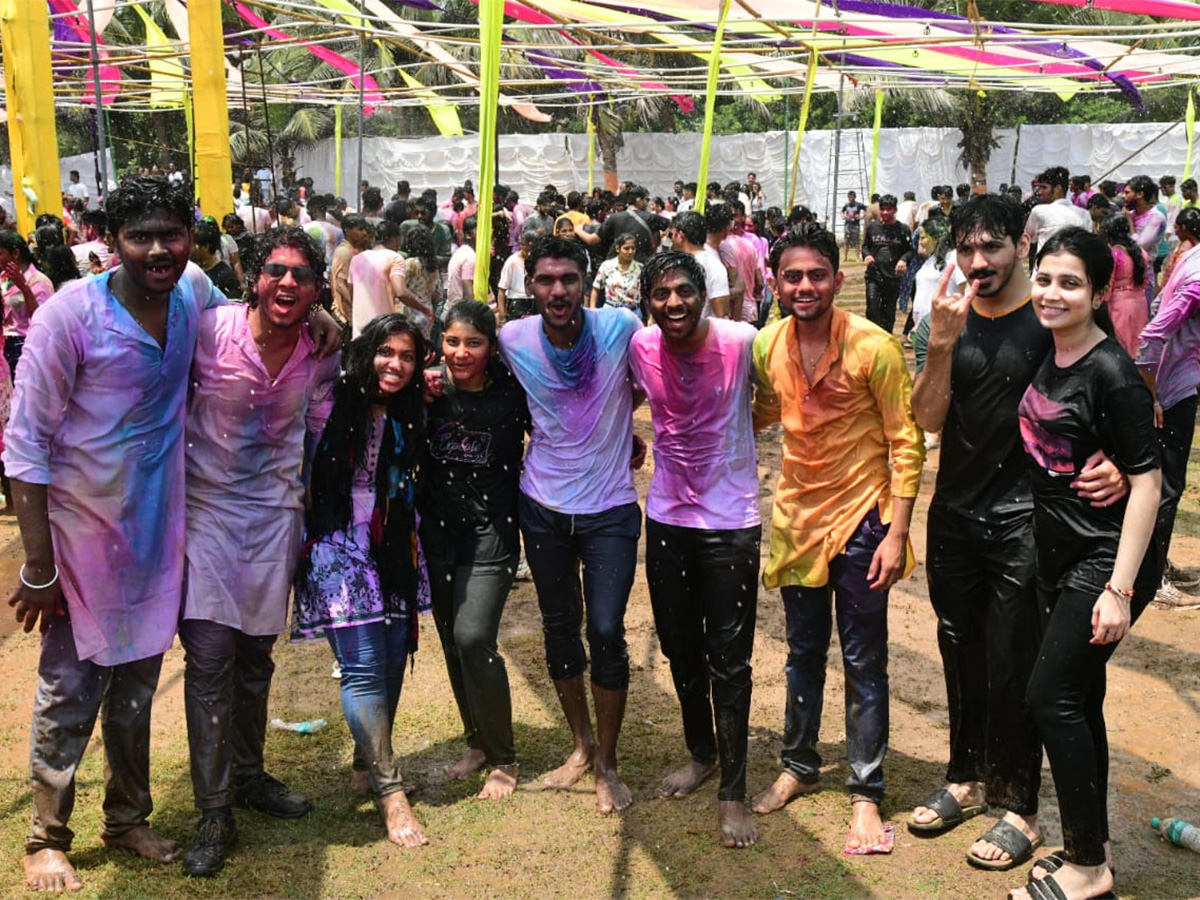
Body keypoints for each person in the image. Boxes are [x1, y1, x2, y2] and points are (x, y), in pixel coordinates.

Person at [3, 177, 225, 893]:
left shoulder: (192, 291)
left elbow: (240, 327)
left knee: (135, 690)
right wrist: (39, 563)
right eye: (142, 237)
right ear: (112, 242)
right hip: (80, 543)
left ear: (190, 235)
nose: (159, 249)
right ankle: (46, 837)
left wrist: (310, 321)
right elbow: (26, 446)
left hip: (159, 537)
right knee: (70, 691)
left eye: (172, 233)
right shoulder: (69, 317)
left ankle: (127, 817)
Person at [910, 195, 1125, 873]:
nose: (978, 262)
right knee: (957, 649)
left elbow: (1112, 393)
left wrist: (1118, 461)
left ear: (1021, 247)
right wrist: (941, 346)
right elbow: (928, 418)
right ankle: (964, 775)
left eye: (992, 247)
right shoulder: (944, 320)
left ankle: (1020, 806)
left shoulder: (1052, 318)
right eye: (966, 249)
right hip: (953, 514)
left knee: (1013, 662)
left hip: (1027, 521)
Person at [750, 223, 924, 855]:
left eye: (816, 275)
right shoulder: (767, 345)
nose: (804, 286)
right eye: (792, 276)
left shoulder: (875, 347)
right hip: (797, 518)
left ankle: (866, 792)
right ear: (775, 283)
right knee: (801, 653)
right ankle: (797, 765)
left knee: (863, 657)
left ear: (838, 280)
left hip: (864, 522)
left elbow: (906, 440)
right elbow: (764, 412)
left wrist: (897, 530)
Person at [1007, 227, 1161, 900]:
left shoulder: (1111, 371)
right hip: (1058, 552)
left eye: (1071, 283)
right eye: (1045, 278)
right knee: (1079, 699)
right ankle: (1088, 850)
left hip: (1103, 562)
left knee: (1049, 697)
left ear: (1100, 293)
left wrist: (1119, 591)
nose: (1052, 293)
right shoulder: (1051, 347)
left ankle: (1089, 869)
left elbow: (1150, 481)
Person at [179, 227, 339, 876]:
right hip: (204, 518)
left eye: (302, 276)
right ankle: (213, 812)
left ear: (318, 289)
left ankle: (249, 776)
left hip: (274, 523)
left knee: (254, 660)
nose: (287, 283)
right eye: (276, 270)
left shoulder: (320, 352)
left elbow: (322, 429)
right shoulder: (209, 327)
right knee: (210, 659)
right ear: (253, 276)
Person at [497, 236, 643, 815]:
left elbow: (658, 373)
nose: (557, 292)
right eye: (545, 281)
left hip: (610, 508)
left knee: (606, 629)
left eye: (568, 280)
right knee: (561, 627)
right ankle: (581, 746)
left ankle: (607, 761)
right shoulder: (513, 339)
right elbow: (464, 371)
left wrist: (629, 429)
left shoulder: (619, 327)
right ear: (529, 286)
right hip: (544, 507)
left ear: (587, 282)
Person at [628, 251, 760, 849]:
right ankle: (701, 753)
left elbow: (788, 398)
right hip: (666, 518)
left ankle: (733, 791)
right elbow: (614, 401)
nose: (673, 302)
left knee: (729, 659)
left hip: (732, 522)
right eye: (661, 294)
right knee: (681, 650)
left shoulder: (742, 341)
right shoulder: (642, 348)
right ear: (647, 300)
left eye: (684, 290)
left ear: (704, 292)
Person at [292, 314, 430, 848]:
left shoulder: (412, 406)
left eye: (407, 356)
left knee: (394, 656)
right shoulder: (326, 395)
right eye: (384, 352)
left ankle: (364, 764)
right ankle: (390, 793)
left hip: (395, 539)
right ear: (365, 350)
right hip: (336, 541)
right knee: (364, 664)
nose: (394, 364)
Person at [419, 302, 529, 800]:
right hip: (438, 533)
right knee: (449, 640)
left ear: (492, 346)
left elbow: (563, 426)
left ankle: (505, 757)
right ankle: (476, 742)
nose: (461, 353)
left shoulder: (513, 394)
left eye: (474, 343)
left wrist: (626, 439)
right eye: (452, 342)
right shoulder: (426, 392)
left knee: (472, 636)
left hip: (493, 534)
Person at [1137, 223, 1200, 607]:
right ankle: (1153, 578)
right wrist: (1150, 393)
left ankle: (1157, 563)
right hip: (1173, 391)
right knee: (1167, 486)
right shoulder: (1196, 276)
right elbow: (1152, 335)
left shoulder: (1191, 257)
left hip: (1178, 382)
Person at [349, 220, 432, 339]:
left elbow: (352, 293)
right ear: (395, 238)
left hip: (359, 330)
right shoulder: (395, 258)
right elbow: (401, 292)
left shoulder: (357, 259)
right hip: (383, 328)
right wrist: (424, 309)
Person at [0, 232, 54, 382]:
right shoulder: (3, 278)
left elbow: (41, 318)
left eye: (0, 253)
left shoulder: (39, 281)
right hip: (5, 344)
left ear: (15, 253)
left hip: (25, 344)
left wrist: (24, 288)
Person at [1097, 213, 1148, 358]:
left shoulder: (1114, 255)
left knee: (1120, 347)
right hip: (1140, 303)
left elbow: (1108, 286)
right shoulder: (1140, 252)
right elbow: (1145, 282)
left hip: (1120, 306)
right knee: (1135, 346)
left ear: (1107, 232)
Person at [862, 194, 912, 333]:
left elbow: (910, 251)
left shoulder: (903, 230)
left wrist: (903, 259)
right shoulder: (873, 227)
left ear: (895, 210)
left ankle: (886, 337)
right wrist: (867, 255)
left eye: (888, 209)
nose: (884, 213)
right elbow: (865, 246)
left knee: (888, 311)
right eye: (882, 209)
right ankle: (873, 335)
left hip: (892, 278)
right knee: (872, 307)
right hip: (874, 276)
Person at [671, 211, 730, 319]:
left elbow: (722, 316)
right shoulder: (675, 262)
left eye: (671, 235)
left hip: (701, 334)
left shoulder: (712, 266)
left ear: (680, 236)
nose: (670, 240)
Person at [401, 227, 443, 340]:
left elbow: (400, 290)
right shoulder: (433, 266)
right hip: (427, 314)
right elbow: (438, 295)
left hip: (410, 312)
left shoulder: (409, 263)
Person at [331, 214, 371, 326]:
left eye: (364, 229)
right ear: (348, 231)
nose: (364, 233)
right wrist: (355, 305)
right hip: (346, 314)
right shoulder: (344, 252)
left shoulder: (353, 250)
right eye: (360, 229)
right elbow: (340, 285)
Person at [589, 233, 642, 314]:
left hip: (633, 313)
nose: (630, 251)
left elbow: (646, 294)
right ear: (618, 249)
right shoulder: (607, 266)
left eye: (633, 248)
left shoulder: (640, 268)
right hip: (610, 311)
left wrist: (650, 317)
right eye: (626, 248)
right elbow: (596, 289)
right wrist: (592, 310)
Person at [191, 220, 244, 300]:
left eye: (193, 245)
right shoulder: (192, 271)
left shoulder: (226, 277)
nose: (189, 249)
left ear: (206, 246)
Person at [497, 231, 536, 324]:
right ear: (521, 245)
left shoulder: (538, 261)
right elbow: (502, 289)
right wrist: (502, 315)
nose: (530, 253)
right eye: (528, 249)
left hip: (534, 302)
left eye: (533, 249)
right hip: (517, 304)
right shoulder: (512, 262)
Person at [445, 216, 478, 314]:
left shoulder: (462, 251)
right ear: (469, 234)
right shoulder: (470, 256)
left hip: (454, 308)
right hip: (461, 312)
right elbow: (468, 290)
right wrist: (475, 315)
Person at [841, 191, 867, 261]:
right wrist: (843, 215)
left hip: (855, 225)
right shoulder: (846, 205)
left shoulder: (858, 205)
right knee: (846, 241)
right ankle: (845, 257)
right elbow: (841, 211)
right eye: (849, 197)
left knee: (856, 241)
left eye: (852, 197)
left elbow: (867, 209)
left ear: (855, 197)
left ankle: (857, 257)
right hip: (847, 225)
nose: (850, 198)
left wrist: (862, 217)